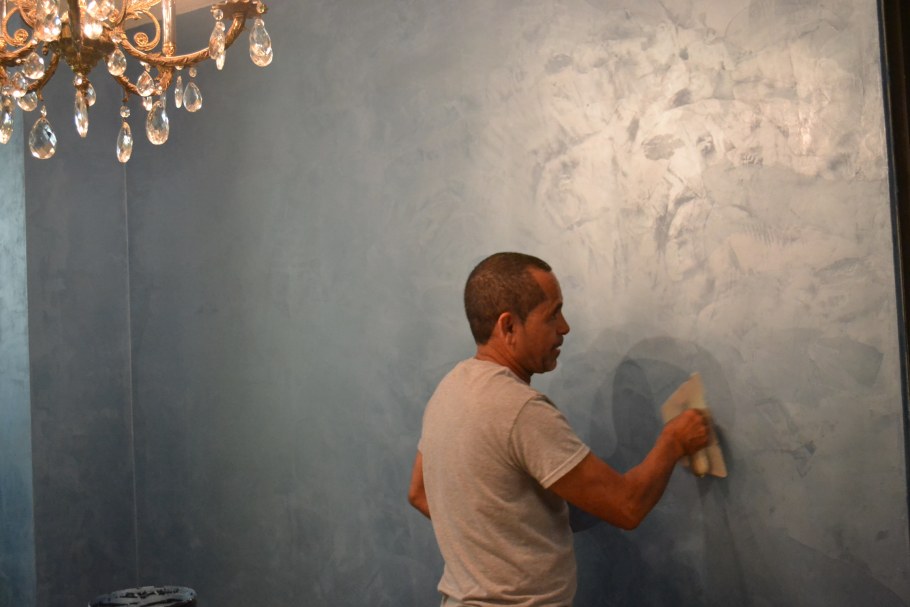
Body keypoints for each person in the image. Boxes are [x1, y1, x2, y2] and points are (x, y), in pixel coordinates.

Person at [408, 252, 710, 607]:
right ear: (509, 327)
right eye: (552, 314)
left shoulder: (449, 390)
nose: (564, 327)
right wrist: (674, 440)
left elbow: (419, 493)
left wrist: (505, 532)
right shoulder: (520, 409)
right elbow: (627, 506)